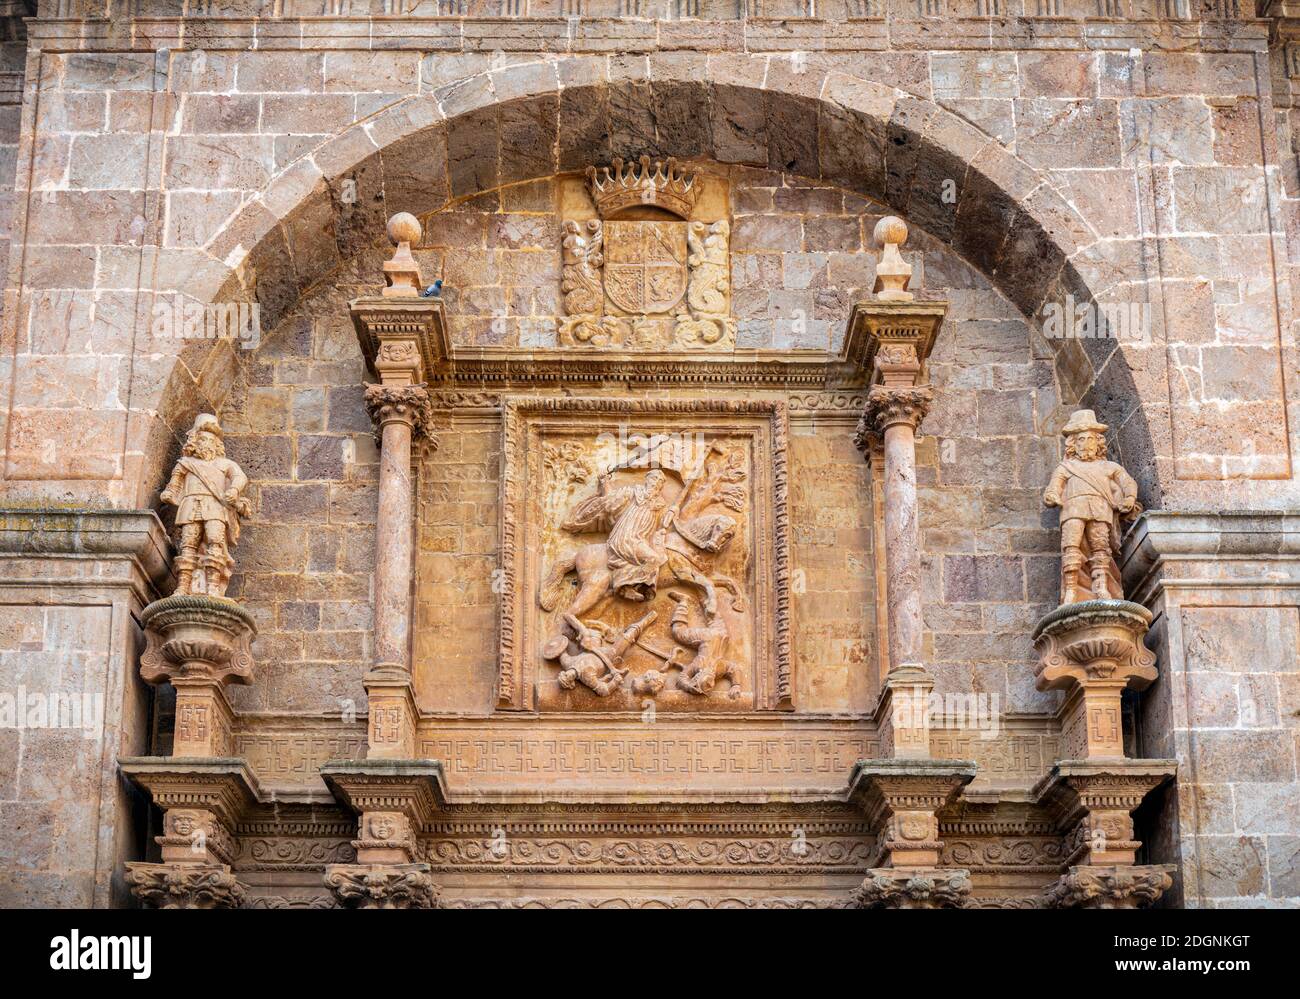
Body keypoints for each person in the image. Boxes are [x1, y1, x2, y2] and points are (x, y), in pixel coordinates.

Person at [1043, 410, 1140, 604]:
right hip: (1073, 510)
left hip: (1099, 510)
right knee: (1071, 546)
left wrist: (1129, 497)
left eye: (1090, 439)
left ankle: (1101, 587)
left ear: (1098, 443)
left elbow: (1128, 483)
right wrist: (1052, 495)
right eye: (1081, 439)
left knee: (1100, 548)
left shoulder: (1109, 467)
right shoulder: (1066, 468)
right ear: (1073, 444)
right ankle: (1071, 590)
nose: (1086, 443)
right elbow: (1054, 487)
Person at [159, 414, 251, 599]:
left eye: (211, 439)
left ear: (217, 444)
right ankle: (183, 587)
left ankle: (213, 587)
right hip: (191, 505)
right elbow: (174, 484)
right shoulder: (185, 464)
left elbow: (240, 477)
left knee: (215, 542)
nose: (206, 442)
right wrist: (169, 493)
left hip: (215, 507)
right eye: (203, 438)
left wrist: (233, 490)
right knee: (188, 544)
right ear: (196, 441)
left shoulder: (225, 464)